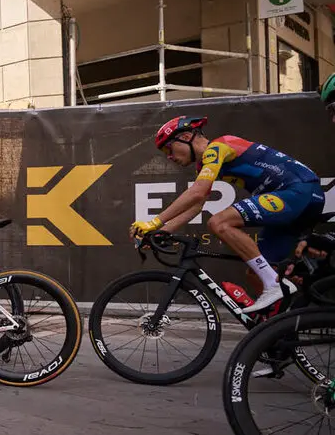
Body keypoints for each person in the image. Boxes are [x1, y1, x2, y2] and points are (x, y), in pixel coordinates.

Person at [130, 116, 325, 312]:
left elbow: (197, 191)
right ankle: (278, 329)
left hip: (298, 191)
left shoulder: (219, 146)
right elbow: (197, 206)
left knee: (220, 222)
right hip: (296, 200)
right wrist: (160, 232)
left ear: (187, 136)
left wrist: (154, 221)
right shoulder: (204, 164)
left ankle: (273, 288)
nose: (169, 157)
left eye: (168, 149)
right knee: (257, 272)